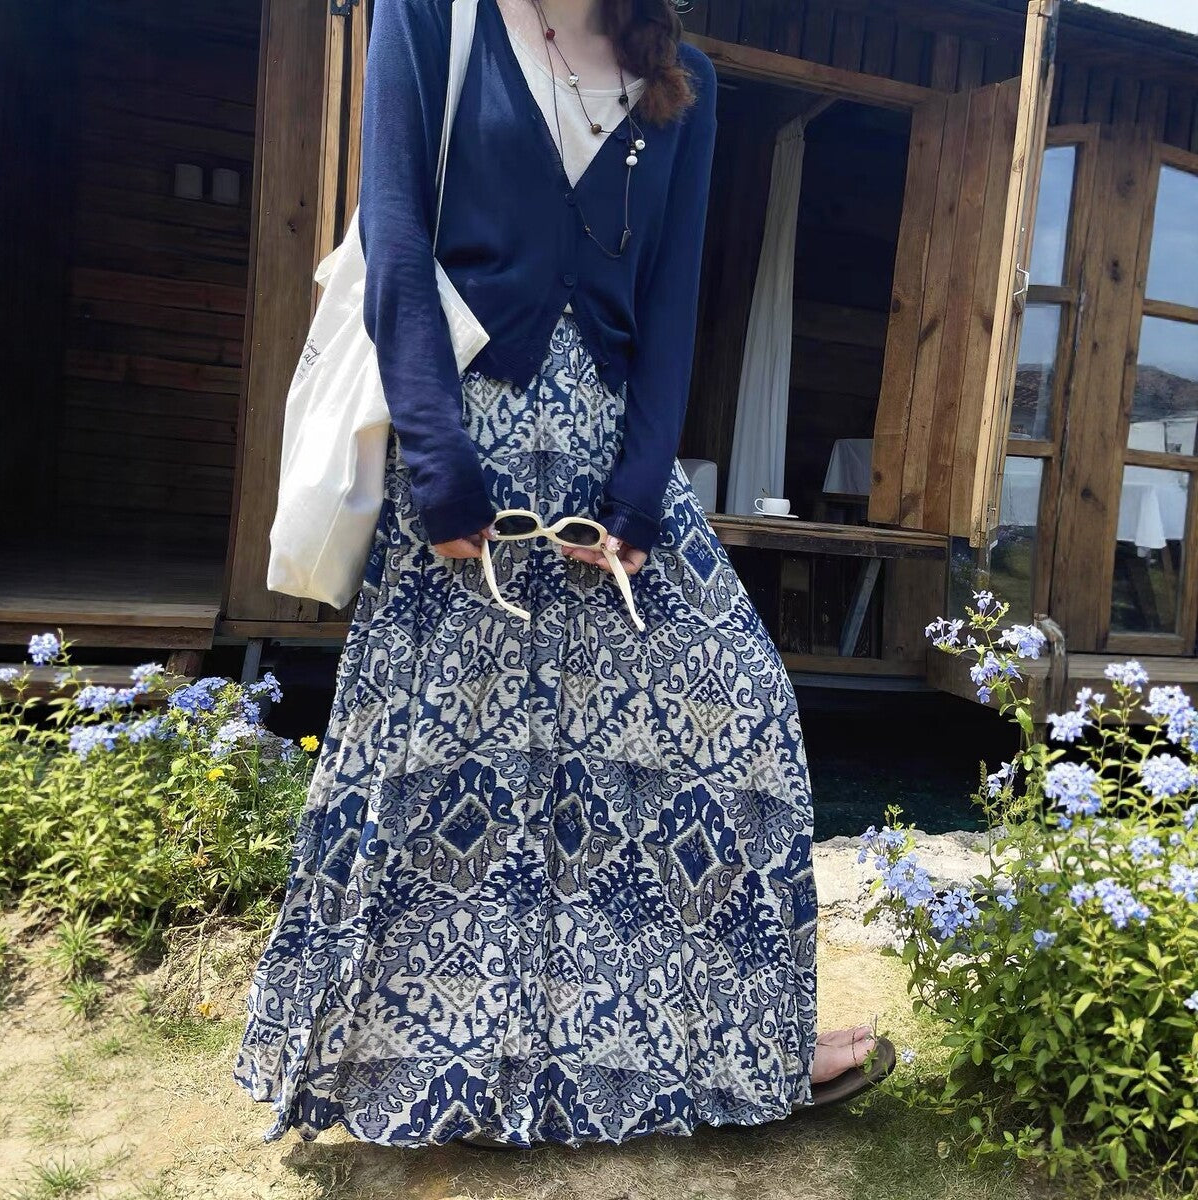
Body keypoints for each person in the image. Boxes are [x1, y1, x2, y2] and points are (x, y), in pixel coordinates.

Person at [233, 0, 892, 1151]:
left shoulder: (681, 76)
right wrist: (438, 465)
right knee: (445, 758)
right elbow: (397, 245)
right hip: (464, 444)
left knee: (738, 709)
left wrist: (641, 491)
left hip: (608, 457)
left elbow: (673, 299)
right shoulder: (430, 20)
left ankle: (740, 1045)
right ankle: (428, 1070)